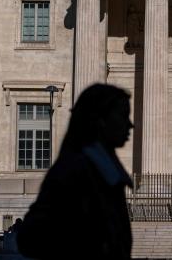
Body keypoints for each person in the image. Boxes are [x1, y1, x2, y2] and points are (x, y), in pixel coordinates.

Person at [17, 84, 134, 260]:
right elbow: (30, 237)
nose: (130, 124)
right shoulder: (74, 171)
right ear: (101, 120)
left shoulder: (105, 173)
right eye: (123, 115)